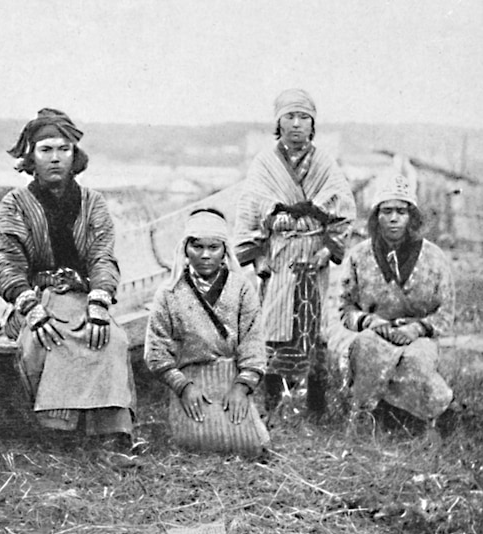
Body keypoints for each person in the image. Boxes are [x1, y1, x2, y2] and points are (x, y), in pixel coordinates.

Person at [0, 108, 136, 449]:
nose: (55, 158)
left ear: (75, 156)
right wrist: (30, 307)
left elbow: (102, 255)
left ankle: (109, 433)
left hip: (84, 297)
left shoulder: (93, 203)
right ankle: (54, 432)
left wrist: (100, 301)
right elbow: (6, 263)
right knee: (44, 340)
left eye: (63, 149)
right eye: (46, 150)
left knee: (111, 339)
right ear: (31, 156)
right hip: (35, 300)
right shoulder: (15, 204)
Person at [234, 88, 356, 417]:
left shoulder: (325, 163)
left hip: (312, 255)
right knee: (273, 326)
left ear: (313, 124)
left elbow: (343, 209)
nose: (297, 124)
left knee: (312, 325)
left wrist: (327, 251)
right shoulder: (264, 163)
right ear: (278, 122)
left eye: (304, 117)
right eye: (290, 117)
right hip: (277, 256)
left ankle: (316, 405)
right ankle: (271, 405)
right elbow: (249, 210)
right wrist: (258, 257)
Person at [144, 209, 268, 454]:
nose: (205, 255)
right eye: (197, 247)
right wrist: (183, 387)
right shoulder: (169, 293)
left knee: (250, 444)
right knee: (192, 443)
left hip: (232, 378)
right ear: (185, 250)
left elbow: (253, 342)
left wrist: (242, 387)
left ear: (224, 251)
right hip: (190, 381)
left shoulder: (242, 288)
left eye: (213, 247)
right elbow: (156, 351)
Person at [338, 174, 454, 432]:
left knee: (416, 361)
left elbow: (446, 313)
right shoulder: (359, 256)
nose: (393, 218)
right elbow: (345, 307)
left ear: (412, 217)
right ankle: (366, 418)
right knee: (365, 350)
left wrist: (416, 329)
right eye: (386, 211)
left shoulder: (434, 257)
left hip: (418, 335)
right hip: (376, 333)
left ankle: (422, 423)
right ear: (375, 217)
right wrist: (370, 321)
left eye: (401, 211)